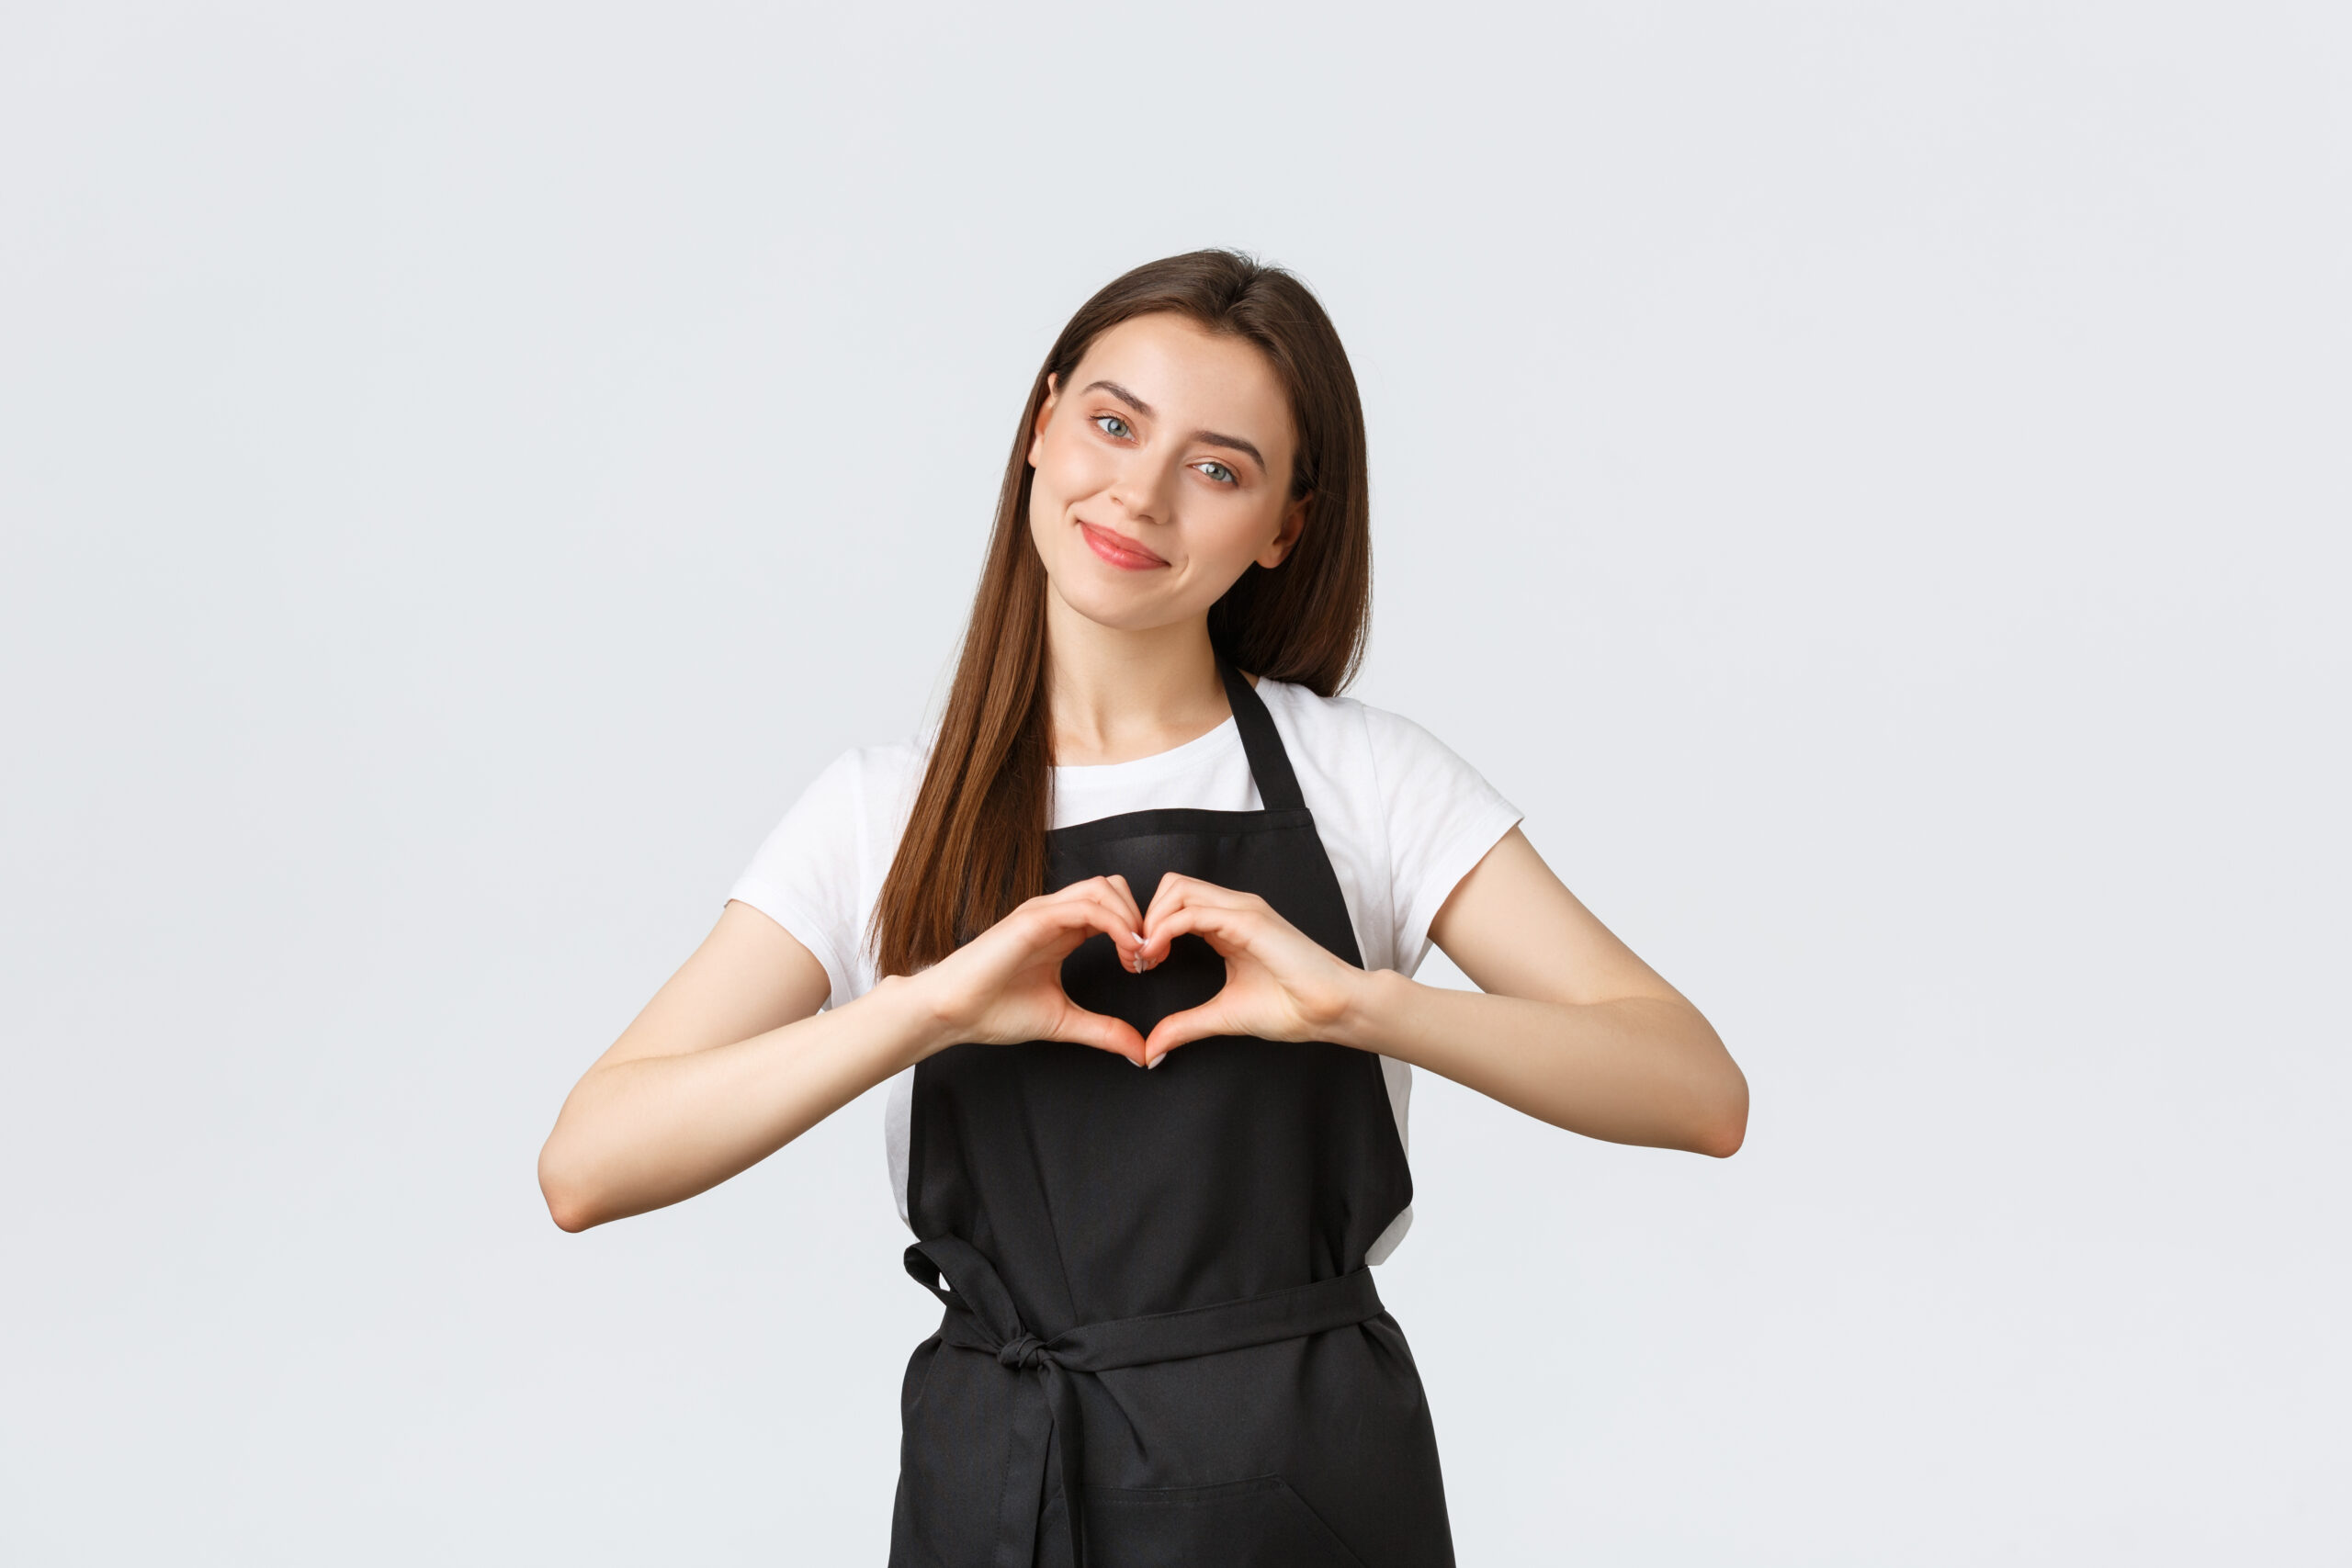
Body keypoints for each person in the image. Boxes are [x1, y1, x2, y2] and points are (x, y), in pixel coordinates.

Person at [537, 250, 1747, 1567]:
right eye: (1113, 424)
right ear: (1041, 425)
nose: (1140, 492)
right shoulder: (881, 815)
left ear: (1284, 525)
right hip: (1001, 1488)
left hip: (1313, 1490)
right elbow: (589, 1165)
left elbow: (1695, 1090)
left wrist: (1365, 1008)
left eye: (1218, 468)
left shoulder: (1367, 780)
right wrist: (924, 1007)